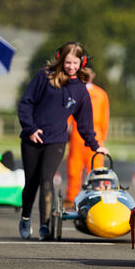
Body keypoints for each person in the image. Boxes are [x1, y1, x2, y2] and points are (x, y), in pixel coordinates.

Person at [18, 42, 108, 241]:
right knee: (31, 183)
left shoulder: (81, 90)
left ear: (82, 62)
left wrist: (95, 145)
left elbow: (85, 124)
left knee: (46, 179)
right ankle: (25, 217)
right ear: (60, 59)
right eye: (68, 62)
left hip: (56, 141)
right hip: (32, 139)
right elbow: (25, 103)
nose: (71, 67)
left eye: (75, 63)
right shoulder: (45, 76)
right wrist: (30, 129)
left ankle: (44, 226)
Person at [64, 67, 110, 208]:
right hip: (78, 134)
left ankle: (96, 198)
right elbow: (68, 115)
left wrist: (102, 137)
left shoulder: (100, 94)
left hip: (94, 133)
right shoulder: (76, 91)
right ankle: (71, 199)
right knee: (74, 168)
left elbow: (104, 117)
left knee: (96, 169)